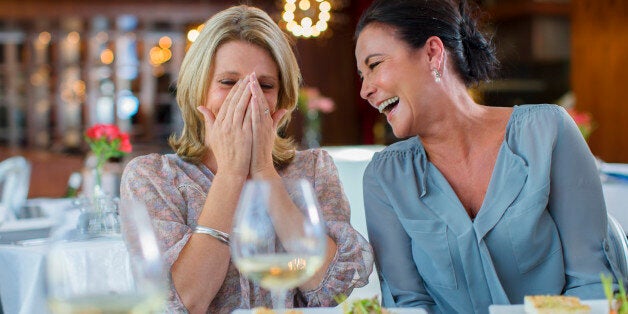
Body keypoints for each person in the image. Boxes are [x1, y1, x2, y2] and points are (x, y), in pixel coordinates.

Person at [355, 0, 614, 313]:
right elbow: (408, 304)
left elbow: (592, 284)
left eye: (374, 65)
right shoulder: (386, 177)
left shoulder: (547, 132)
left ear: (433, 53)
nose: (365, 90)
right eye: (361, 75)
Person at [121, 5, 373, 313]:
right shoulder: (152, 178)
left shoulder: (313, 170)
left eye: (265, 85)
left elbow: (331, 288)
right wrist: (231, 174)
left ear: (282, 100)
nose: (249, 96)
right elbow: (185, 302)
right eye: (228, 82)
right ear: (198, 91)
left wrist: (265, 172)